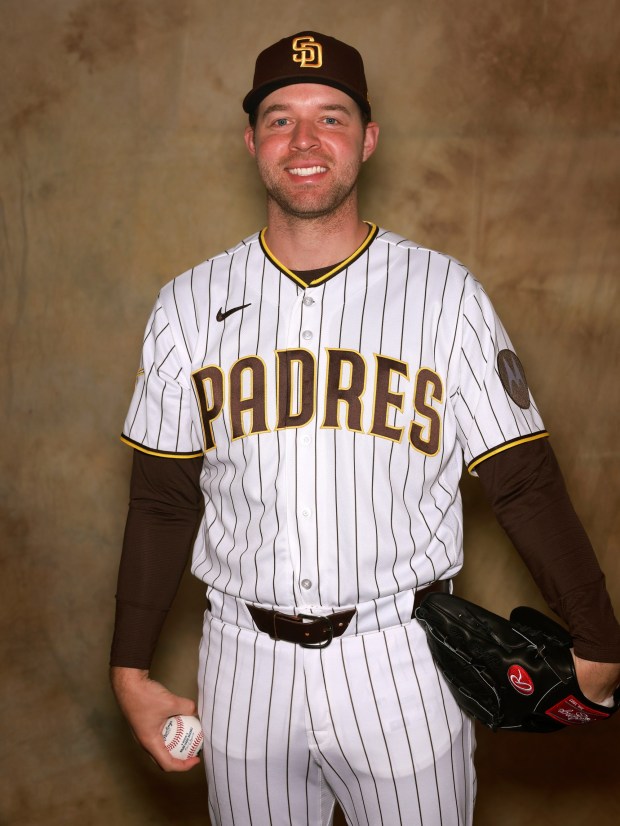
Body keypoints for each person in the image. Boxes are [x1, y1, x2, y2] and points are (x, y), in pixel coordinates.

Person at [110, 31, 620, 826]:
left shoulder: (446, 295)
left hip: (402, 658)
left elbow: (520, 479)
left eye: (331, 118)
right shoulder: (187, 304)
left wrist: (598, 635)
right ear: (251, 142)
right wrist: (130, 668)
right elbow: (163, 500)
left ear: (368, 139)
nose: (304, 141)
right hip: (243, 664)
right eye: (280, 120)